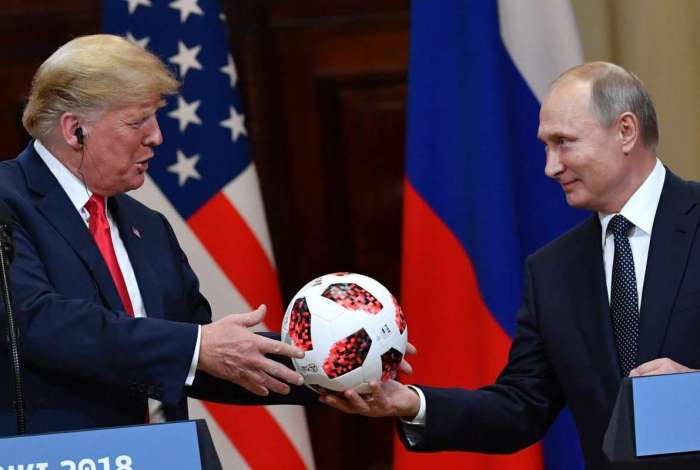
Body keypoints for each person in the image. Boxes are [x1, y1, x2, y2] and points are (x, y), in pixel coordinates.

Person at [322, 61, 700, 469]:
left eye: (564, 142)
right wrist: (411, 402)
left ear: (625, 131)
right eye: (546, 146)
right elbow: (520, 408)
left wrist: (693, 396)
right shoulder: (553, 270)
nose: (551, 167)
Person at [0, 34, 315, 435]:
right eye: (138, 121)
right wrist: (196, 346)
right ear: (75, 129)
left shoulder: (148, 226)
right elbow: (37, 321)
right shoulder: (7, 200)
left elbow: (205, 357)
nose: (157, 136)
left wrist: (334, 371)